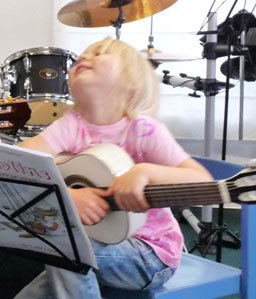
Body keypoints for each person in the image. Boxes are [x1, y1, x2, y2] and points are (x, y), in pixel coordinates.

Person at [15, 37, 213, 298]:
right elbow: (18, 161)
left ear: (130, 83)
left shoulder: (144, 130)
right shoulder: (72, 123)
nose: (84, 58)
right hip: (92, 245)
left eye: (99, 53)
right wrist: (68, 195)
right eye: (82, 55)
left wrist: (145, 172)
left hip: (149, 255)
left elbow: (202, 181)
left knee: (61, 242)